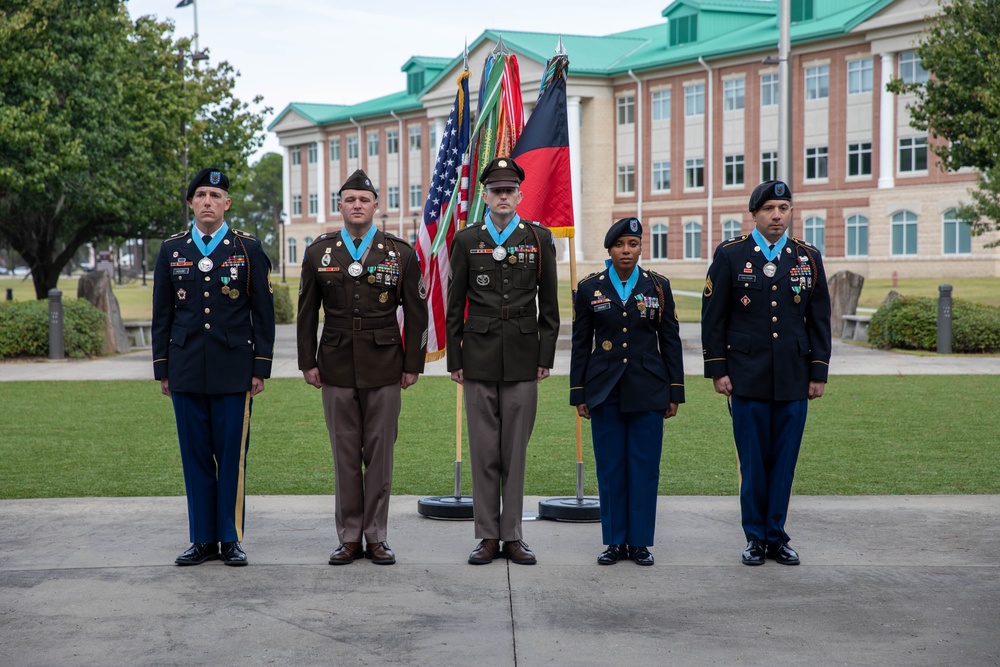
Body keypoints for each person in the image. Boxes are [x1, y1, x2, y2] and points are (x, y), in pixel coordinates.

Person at [297, 169, 427, 566]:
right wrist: (307, 362)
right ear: (340, 205)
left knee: (380, 455)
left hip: (385, 364)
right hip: (334, 363)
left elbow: (417, 314)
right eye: (350, 199)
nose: (357, 205)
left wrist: (412, 365)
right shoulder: (320, 251)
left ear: (376, 206)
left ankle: (377, 536)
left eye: (364, 200)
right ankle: (349, 536)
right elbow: (306, 312)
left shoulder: (400, 253)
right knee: (345, 455)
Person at [701, 180, 831, 566]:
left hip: (793, 377)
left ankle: (777, 536)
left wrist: (818, 371)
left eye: (784, 208)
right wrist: (717, 371)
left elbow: (819, 320)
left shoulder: (807, 257)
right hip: (746, 377)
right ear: (754, 213)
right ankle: (755, 538)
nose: (778, 215)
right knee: (754, 463)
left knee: (784, 462)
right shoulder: (730, 255)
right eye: (770, 208)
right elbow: (714, 320)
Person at [152, 167, 276, 567]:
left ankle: (230, 537)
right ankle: (202, 539)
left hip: (233, 368)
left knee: (231, 457)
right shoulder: (172, 250)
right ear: (191, 203)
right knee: (195, 457)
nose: (208, 201)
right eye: (201, 194)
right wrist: (162, 368)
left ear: (227, 203)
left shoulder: (247, 249)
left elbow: (263, 313)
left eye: (215, 195)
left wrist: (260, 367)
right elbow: (162, 313)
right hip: (186, 367)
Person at [446, 156, 560, 566]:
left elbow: (549, 305)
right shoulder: (466, 239)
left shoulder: (538, 238)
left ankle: (512, 535)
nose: (503, 196)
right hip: (477, 355)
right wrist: (454, 358)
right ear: (485, 195)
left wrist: (544, 356)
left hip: (523, 356)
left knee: (515, 450)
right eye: (496, 190)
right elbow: (454, 302)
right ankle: (486, 537)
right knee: (483, 451)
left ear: (520, 194)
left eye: (509, 190)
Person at [570, 218, 685, 566]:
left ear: (639, 248)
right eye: (620, 245)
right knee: (611, 468)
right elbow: (580, 344)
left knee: (644, 467)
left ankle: (639, 543)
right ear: (610, 249)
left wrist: (674, 391)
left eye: (633, 244)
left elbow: (670, 340)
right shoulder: (590, 287)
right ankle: (614, 542)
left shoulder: (658, 286)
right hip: (604, 390)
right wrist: (579, 392)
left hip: (649, 389)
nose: (626, 251)